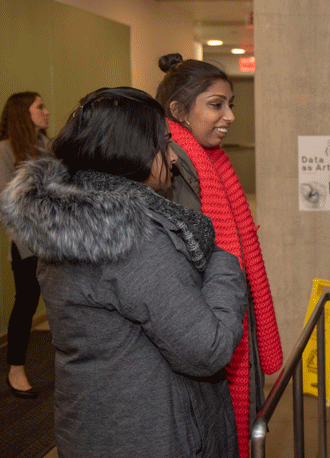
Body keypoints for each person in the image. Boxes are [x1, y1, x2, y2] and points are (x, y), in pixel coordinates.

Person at [0, 87, 246, 456]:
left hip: (97, 426)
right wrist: (224, 260)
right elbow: (207, 349)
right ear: (132, 149)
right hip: (155, 433)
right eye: (163, 143)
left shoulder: (71, 221)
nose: (173, 158)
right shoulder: (129, 239)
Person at [155, 53, 283, 458]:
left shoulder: (209, 156)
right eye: (216, 104)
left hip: (223, 313)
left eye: (231, 104)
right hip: (208, 324)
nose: (229, 115)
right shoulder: (176, 161)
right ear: (178, 111)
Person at [1, 91, 51, 398]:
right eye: (39, 107)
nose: (46, 112)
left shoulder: (45, 146)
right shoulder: (5, 150)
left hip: (57, 242)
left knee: (62, 306)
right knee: (26, 306)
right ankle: (15, 370)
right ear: (24, 113)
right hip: (29, 246)